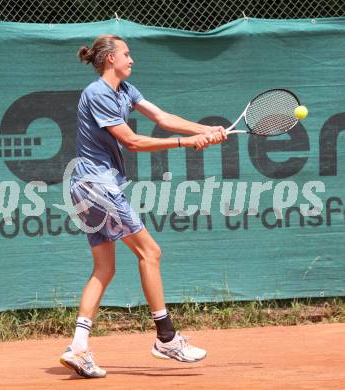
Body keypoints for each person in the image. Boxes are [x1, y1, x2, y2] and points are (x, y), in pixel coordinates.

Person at [60, 34, 227, 379]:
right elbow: (132, 142)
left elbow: (162, 117)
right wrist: (186, 141)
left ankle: (77, 347)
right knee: (150, 252)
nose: (131, 59)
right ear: (110, 59)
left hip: (84, 187)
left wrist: (206, 130)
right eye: (126, 54)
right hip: (96, 185)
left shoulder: (125, 91)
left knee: (104, 269)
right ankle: (166, 338)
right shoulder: (98, 93)